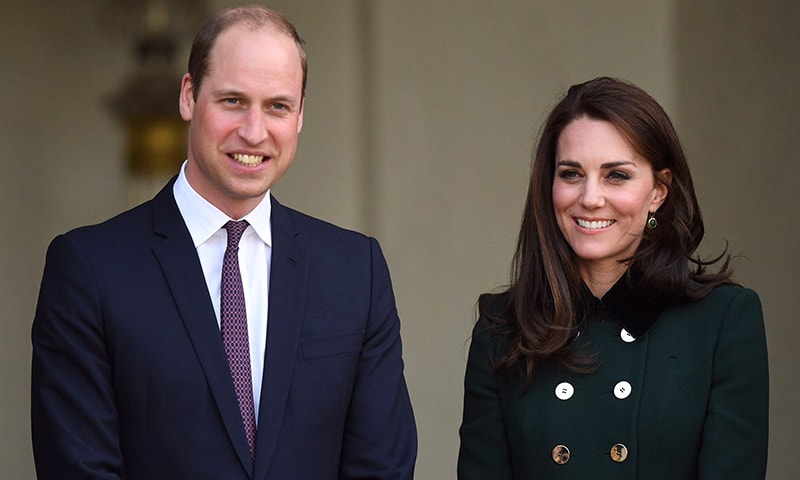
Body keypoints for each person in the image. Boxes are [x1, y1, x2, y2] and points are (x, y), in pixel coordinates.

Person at [31, 5, 416, 479]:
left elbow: (381, 467)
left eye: (278, 105)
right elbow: (79, 468)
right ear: (189, 97)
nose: (254, 132)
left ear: (300, 115)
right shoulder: (89, 268)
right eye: (233, 101)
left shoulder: (357, 270)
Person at [457, 77, 768, 479]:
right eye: (571, 174)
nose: (589, 198)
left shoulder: (723, 320)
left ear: (658, 191)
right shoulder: (502, 328)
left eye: (616, 175)